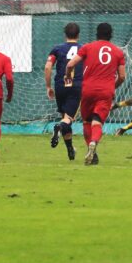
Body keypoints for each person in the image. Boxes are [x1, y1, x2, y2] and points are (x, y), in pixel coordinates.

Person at [65, 23, 126, 165]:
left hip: (88, 90)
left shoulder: (87, 47)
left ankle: (91, 151)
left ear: (96, 34)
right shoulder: (117, 52)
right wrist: (113, 86)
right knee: (97, 121)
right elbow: (122, 76)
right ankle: (93, 142)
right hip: (106, 91)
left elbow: (70, 64)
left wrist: (68, 76)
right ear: (111, 34)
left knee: (87, 121)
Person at [44, 22, 83, 160]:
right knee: (67, 120)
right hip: (76, 86)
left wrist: (48, 87)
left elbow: (48, 67)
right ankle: (59, 128)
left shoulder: (57, 49)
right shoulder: (83, 49)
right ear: (78, 35)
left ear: (65, 34)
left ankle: (70, 150)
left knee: (65, 119)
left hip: (60, 86)